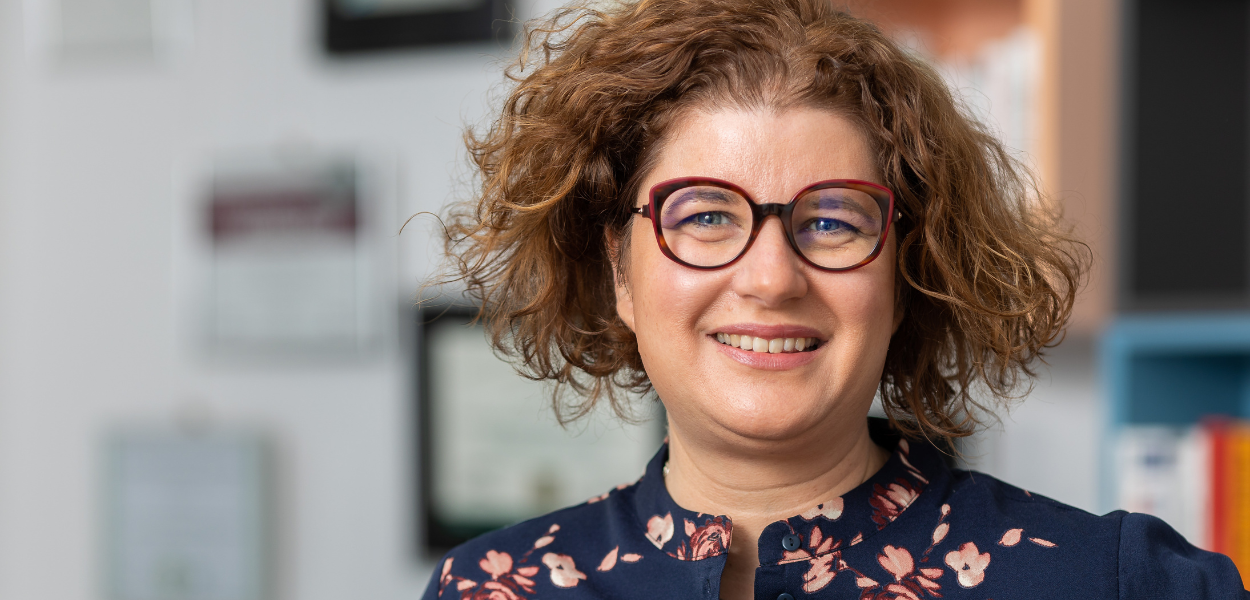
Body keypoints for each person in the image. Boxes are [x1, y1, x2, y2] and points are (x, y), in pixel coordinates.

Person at [422, 1, 1247, 598]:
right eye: (706, 215)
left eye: (832, 220)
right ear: (619, 272)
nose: (773, 278)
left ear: (906, 273)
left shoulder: (1117, 580)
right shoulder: (489, 587)